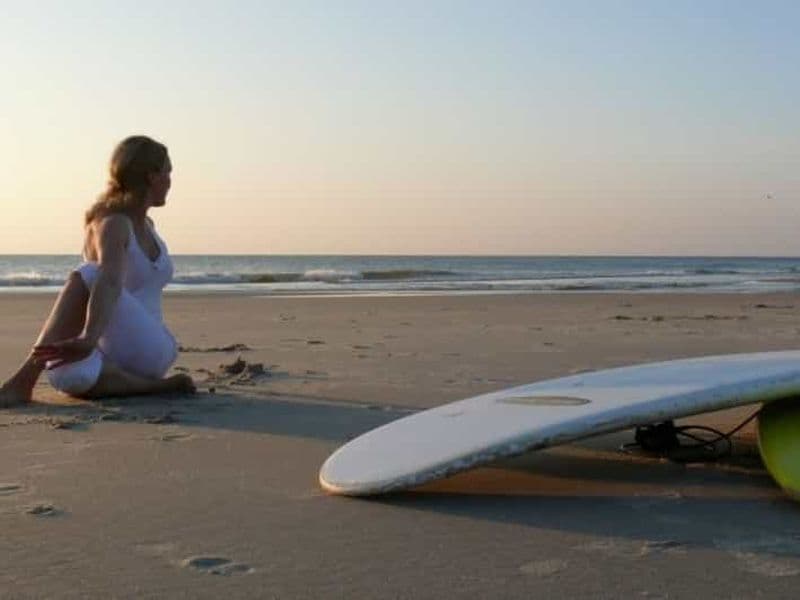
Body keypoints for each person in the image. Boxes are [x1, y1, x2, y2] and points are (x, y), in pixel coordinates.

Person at [0, 135, 195, 407]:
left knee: (88, 273)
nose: (170, 181)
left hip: (151, 348)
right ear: (151, 177)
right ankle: (150, 386)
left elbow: (107, 281)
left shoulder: (147, 225)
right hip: (110, 349)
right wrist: (89, 339)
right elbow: (111, 280)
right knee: (68, 375)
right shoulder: (114, 223)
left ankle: (23, 380)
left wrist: (88, 338)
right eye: (167, 172)